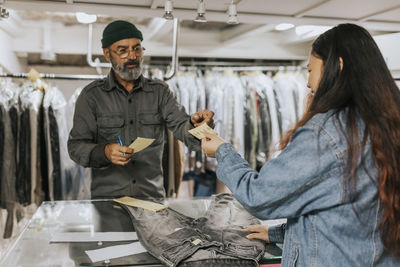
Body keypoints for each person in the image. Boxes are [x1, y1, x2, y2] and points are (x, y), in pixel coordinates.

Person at [201, 23, 400, 266]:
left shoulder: (327, 133)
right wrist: (279, 234)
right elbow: (352, 214)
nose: (307, 83)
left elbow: (259, 195)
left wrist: (222, 151)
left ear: (337, 66)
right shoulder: (389, 124)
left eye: (310, 71)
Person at [68, 20, 214, 199]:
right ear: (107, 54)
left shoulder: (160, 92)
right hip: (108, 204)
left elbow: (183, 127)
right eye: (122, 50)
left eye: (137, 49)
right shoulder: (92, 96)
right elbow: (76, 147)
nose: (132, 56)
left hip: (151, 201)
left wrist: (198, 126)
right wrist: (105, 152)